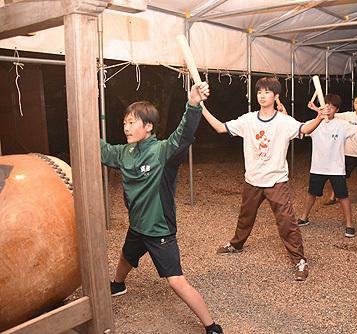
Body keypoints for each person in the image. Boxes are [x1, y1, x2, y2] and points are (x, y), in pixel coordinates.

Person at [100, 82, 224, 334]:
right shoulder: (124, 152)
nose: (126, 127)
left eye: (132, 122)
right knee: (126, 255)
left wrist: (192, 105)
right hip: (137, 226)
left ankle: (212, 326)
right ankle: (118, 284)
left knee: (176, 281)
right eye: (125, 122)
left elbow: (184, 135)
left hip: (159, 230)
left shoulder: (162, 152)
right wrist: (82, 124)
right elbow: (103, 150)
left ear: (148, 126)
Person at [201, 77, 326, 281]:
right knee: (245, 215)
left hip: (276, 180)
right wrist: (201, 107)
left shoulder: (284, 121)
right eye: (260, 92)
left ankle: (299, 260)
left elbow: (304, 129)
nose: (262, 95)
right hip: (252, 179)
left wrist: (320, 118)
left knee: (286, 221)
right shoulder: (248, 120)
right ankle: (236, 244)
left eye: (267, 92)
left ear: (276, 96)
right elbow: (220, 127)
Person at [297, 94, 357, 238]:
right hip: (318, 167)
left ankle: (349, 224)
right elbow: (301, 129)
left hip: (336, 168)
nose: (329, 108)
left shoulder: (342, 124)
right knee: (312, 193)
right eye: (326, 105)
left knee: (343, 196)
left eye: (332, 106)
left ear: (337, 109)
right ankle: (304, 217)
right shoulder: (315, 123)